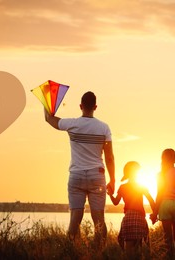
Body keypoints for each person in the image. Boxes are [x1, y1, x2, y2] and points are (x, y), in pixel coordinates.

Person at [44, 91, 115, 246]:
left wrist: (46, 100)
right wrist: (113, 180)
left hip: (76, 176)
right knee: (99, 220)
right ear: (95, 107)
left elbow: (49, 119)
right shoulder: (104, 128)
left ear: (81, 106)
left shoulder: (72, 124)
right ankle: (99, 253)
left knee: (75, 219)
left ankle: (70, 251)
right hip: (97, 176)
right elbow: (109, 157)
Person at [108, 161, 155, 259]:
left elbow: (116, 202)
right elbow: (151, 201)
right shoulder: (141, 186)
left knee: (128, 252)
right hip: (139, 218)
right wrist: (155, 214)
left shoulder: (123, 187)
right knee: (142, 248)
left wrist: (110, 194)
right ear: (137, 172)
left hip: (128, 218)